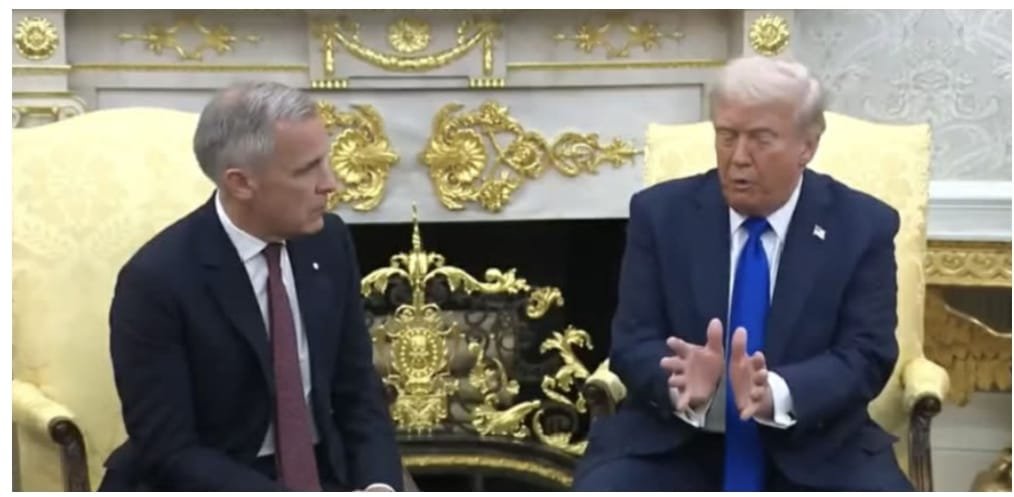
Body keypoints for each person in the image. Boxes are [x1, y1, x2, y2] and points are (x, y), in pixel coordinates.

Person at [572, 56, 912, 491]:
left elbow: (866, 354)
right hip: (674, 442)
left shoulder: (862, 225)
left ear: (807, 146)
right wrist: (680, 384)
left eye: (761, 139)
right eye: (726, 136)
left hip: (819, 444)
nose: (738, 158)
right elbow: (632, 342)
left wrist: (776, 392)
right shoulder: (660, 214)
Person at [100, 81, 404, 491]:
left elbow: (358, 391)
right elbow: (170, 449)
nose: (330, 183)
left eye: (325, 161)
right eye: (306, 170)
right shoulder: (156, 280)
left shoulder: (329, 241)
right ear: (241, 183)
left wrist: (379, 485)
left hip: (324, 469)